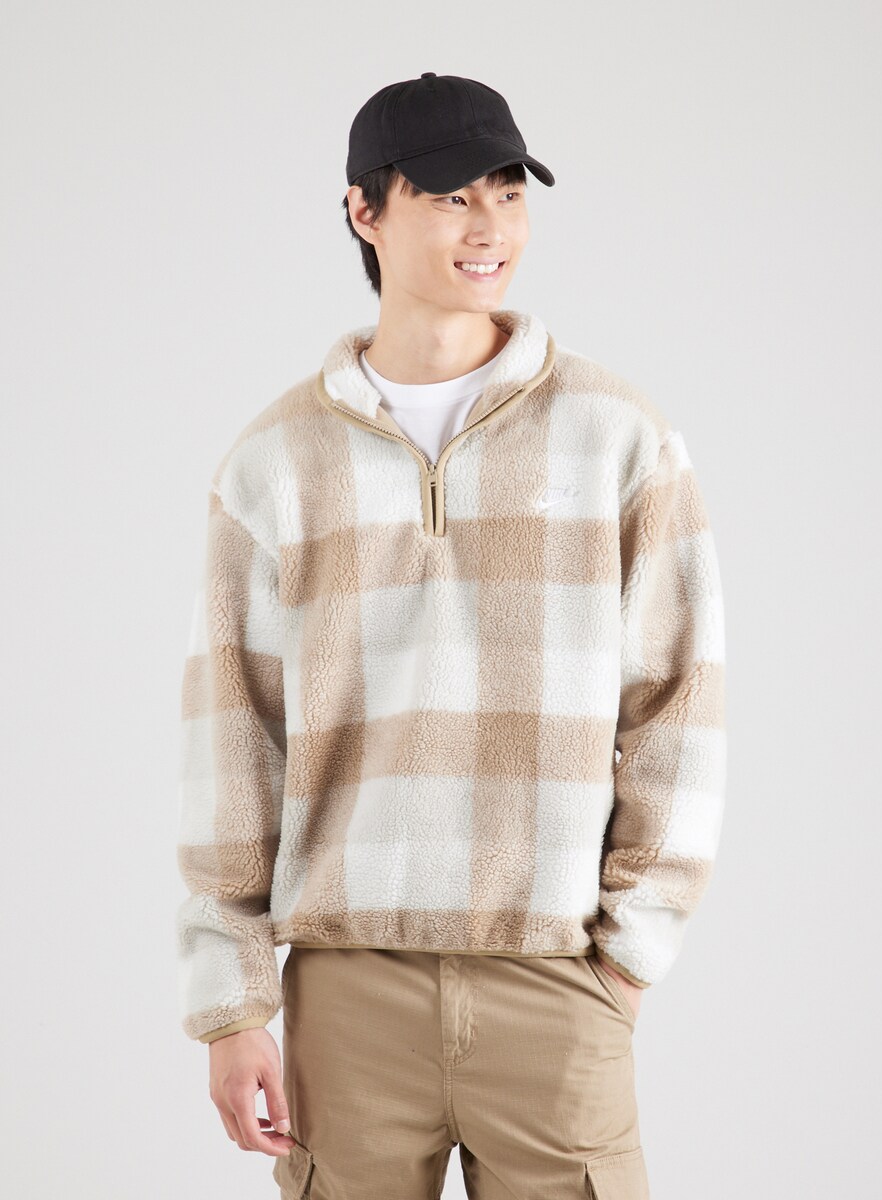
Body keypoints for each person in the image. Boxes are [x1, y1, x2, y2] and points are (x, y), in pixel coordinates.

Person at [176, 72, 727, 1199]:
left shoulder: (617, 438)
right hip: (348, 996)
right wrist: (232, 1006)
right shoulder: (275, 464)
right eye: (449, 196)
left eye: (509, 193)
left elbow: (682, 705)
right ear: (363, 211)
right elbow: (234, 740)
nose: (491, 228)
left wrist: (629, 958)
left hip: (555, 983)